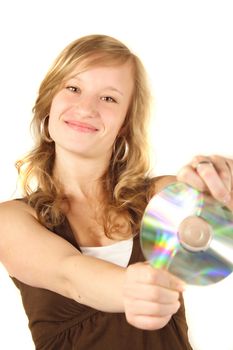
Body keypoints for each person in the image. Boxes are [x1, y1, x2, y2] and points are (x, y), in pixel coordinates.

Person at [0, 34, 232, 350]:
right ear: (49, 103)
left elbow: (208, 228)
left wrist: (216, 190)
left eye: (108, 98)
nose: (86, 108)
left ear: (124, 122)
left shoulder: (158, 197)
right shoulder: (11, 220)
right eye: (73, 88)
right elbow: (71, 277)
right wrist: (130, 289)